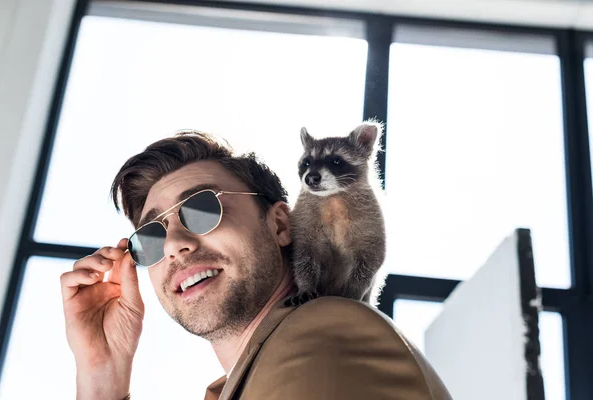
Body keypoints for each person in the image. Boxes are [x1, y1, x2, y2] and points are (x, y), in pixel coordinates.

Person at [60, 130, 452, 400]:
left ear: (281, 223)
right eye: (152, 234)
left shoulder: (329, 331)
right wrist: (102, 377)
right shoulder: (246, 379)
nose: (176, 245)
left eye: (201, 208)